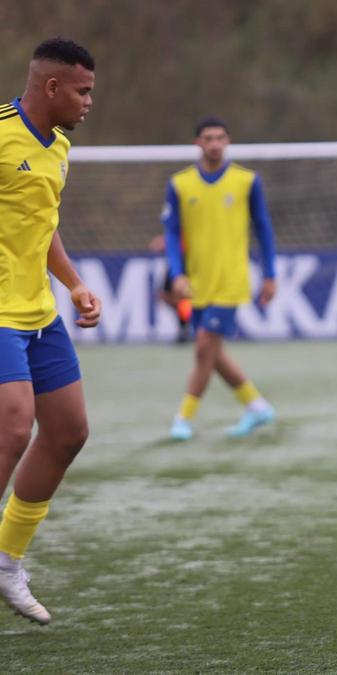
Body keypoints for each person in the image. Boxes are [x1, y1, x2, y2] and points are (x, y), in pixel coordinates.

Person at [0, 38, 102, 626]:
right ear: (52, 88)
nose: (90, 101)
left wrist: (74, 283)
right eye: (83, 91)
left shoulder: (59, 147)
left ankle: (7, 561)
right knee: (13, 427)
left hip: (39, 314)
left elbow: (44, 225)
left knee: (68, 433)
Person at [163, 118, 278, 440]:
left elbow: (264, 229)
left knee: (203, 347)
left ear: (228, 141)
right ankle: (256, 406)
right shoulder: (179, 184)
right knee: (211, 352)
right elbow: (172, 234)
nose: (215, 144)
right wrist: (178, 273)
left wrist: (270, 273)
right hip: (197, 282)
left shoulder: (246, 181)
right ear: (197, 143)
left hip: (230, 281)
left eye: (220, 138)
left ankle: (183, 418)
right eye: (208, 138)